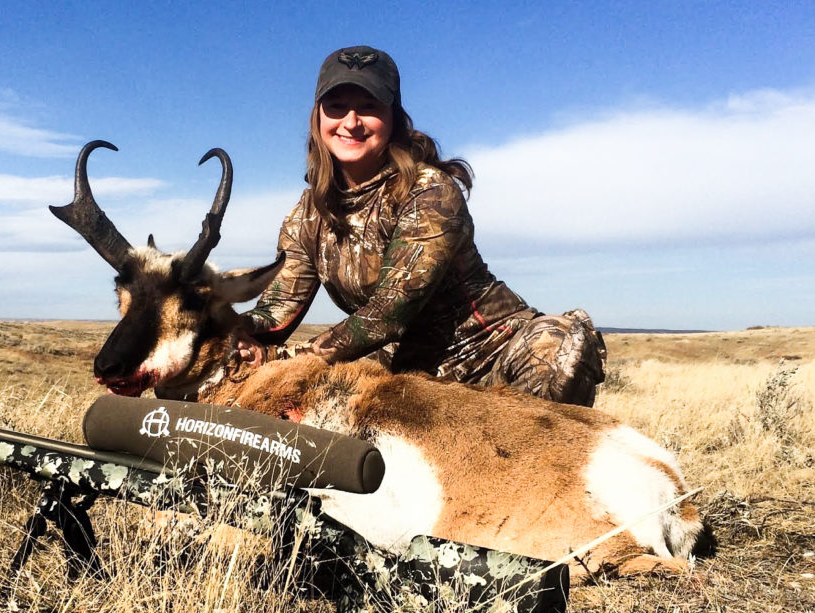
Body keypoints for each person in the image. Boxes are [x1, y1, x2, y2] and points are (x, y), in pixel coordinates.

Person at [235, 45, 606, 407]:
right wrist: (225, 329)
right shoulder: (307, 214)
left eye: (369, 107)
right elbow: (275, 312)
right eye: (336, 107)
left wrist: (291, 362)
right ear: (317, 117)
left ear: (393, 118)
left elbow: (387, 315)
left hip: (492, 352)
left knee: (555, 343)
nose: (351, 122)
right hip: (411, 370)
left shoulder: (429, 191)